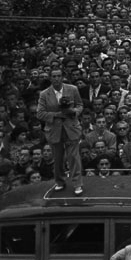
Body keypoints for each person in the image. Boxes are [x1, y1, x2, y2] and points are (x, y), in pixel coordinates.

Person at [36, 66, 84, 194]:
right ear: (50, 78)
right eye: (54, 76)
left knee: (73, 157)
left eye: (58, 76)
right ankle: (60, 181)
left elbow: (80, 105)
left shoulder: (73, 89)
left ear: (62, 77)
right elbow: (40, 114)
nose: (56, 79)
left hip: (71, 128)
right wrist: (57, 115)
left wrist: (73, 112)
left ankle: (77, 184)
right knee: (58, 158)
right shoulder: (44, 94)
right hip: (54, 130)